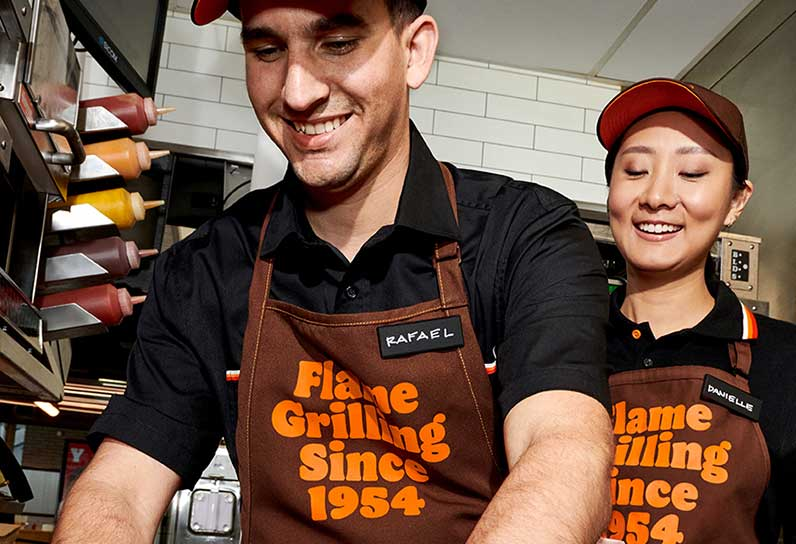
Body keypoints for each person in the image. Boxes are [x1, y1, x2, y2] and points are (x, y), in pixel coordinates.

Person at [53, 1, 614, 542]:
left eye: (338, 44)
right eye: (268, 50)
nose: (298, 92)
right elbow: (121, 488)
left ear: (414, 51)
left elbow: (562, 449)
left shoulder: (523, 237)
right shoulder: (206, 269)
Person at [596, 78, 796, 543]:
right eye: (635, 170)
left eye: (691, 173)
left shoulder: (786, 361)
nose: (657, 196)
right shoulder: (554, 342)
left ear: (736, 201)